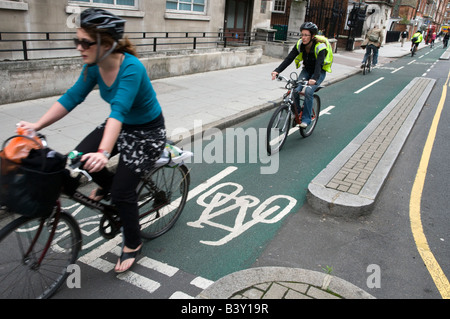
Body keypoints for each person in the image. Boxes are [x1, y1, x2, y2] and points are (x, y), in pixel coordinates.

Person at [17, 8, 166, 273]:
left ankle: (132, 242)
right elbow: (72, 97)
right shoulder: (93, 67)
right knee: (77, 161)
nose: (79, 47)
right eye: (77, 41)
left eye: (85, 42)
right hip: (118, 126)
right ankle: (108, 186)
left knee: (122, 192)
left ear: (106, 44)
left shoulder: (131, 68)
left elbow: (118, 111)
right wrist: (36, 125)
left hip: (146, 132)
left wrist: (103, 152)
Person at [271, 22, 332, 128]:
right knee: (295, 89)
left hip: (319, 72)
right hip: (307, 70)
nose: (303, 37)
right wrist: (277, 71)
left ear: (312, 36)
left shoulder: (320, 47)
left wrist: (314, 79)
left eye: (306, 35)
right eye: (302, 34)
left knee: (308, 91)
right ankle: (297, 112)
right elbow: (289, 58)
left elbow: (319, 65)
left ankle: (306, 119)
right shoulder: (300, 44)